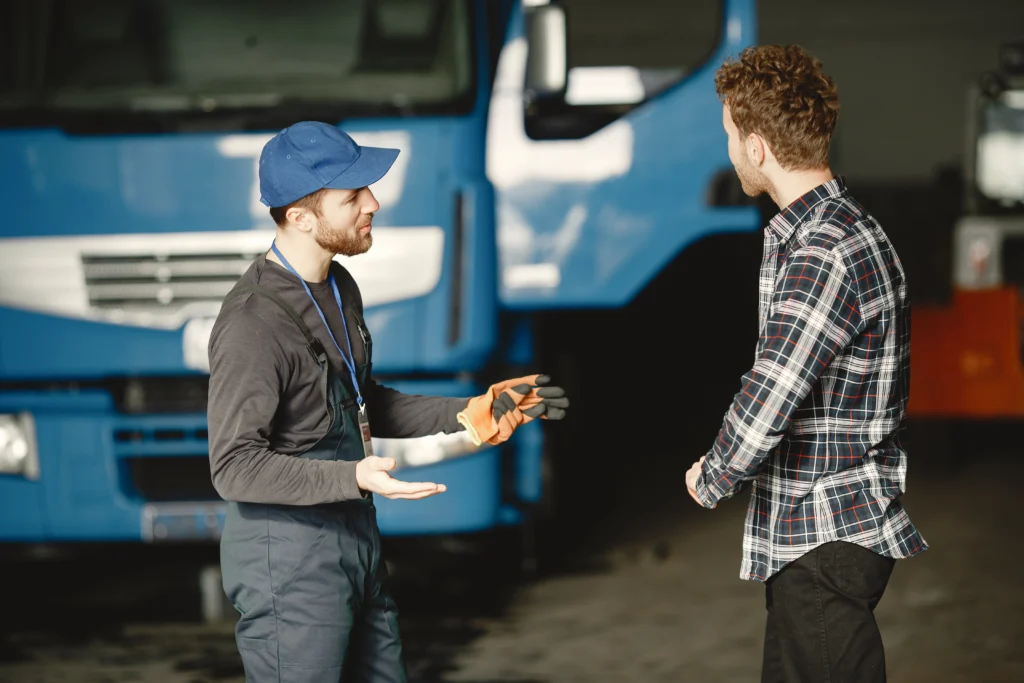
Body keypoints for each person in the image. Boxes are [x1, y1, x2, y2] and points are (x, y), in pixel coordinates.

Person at [206, 120, 569, 683]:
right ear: (300, 217)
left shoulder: (338, 285)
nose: (373, 202)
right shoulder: (252, 323)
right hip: (290, 559)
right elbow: (233, 467)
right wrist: (355, 478)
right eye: (353, 196)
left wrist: (468, 412)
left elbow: (360, 401)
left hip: (356, 544)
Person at [683, 45, 928, 682]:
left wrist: (714, 472)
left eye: (732, 136)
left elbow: (773, 391)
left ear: (758, 146)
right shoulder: (846, 230)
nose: (731, 152)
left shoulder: (825, 250)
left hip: (825, 533)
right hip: (827, 529)